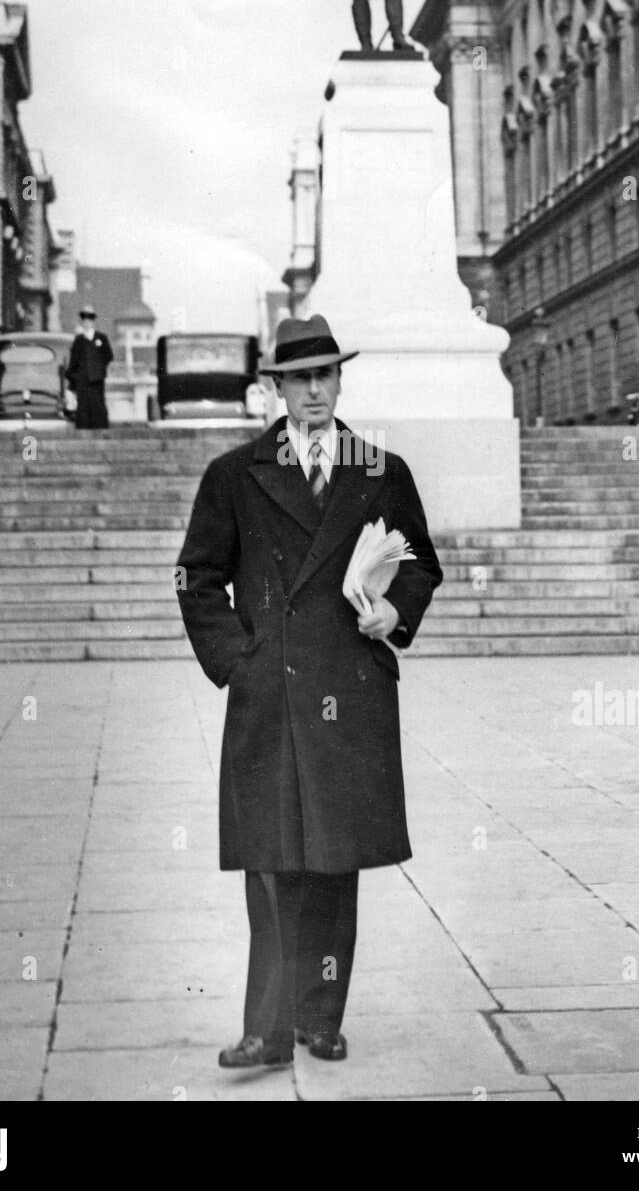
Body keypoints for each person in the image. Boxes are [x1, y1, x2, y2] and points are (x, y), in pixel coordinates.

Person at [176, 313, 443, 1068]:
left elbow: (420, 561)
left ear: (338, 380)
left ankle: (319, 1019)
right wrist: (239, 660)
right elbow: (197, 577)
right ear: (276, 387)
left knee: (334, 860)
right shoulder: (233, 474)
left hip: (348, 688)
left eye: (326, 375)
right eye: (300, 378)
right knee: (270, 861)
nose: (315, 390)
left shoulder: (379, 468)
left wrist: (395, 610)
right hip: (270, 690)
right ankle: (265, 1029)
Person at [65, 307, 113, 429]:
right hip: (82, 378)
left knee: (98, 404)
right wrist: (71, 375)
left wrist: (99, 368)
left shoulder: (101, 338)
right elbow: (74, 360)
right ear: (82, 322)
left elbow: (108, 356)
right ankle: (84, 428)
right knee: (84, 405)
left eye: (89, 320)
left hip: (97, 378)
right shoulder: (79, 340)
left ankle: (101, 427)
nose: (87, 323)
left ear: (93, 322)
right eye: (85, 321)